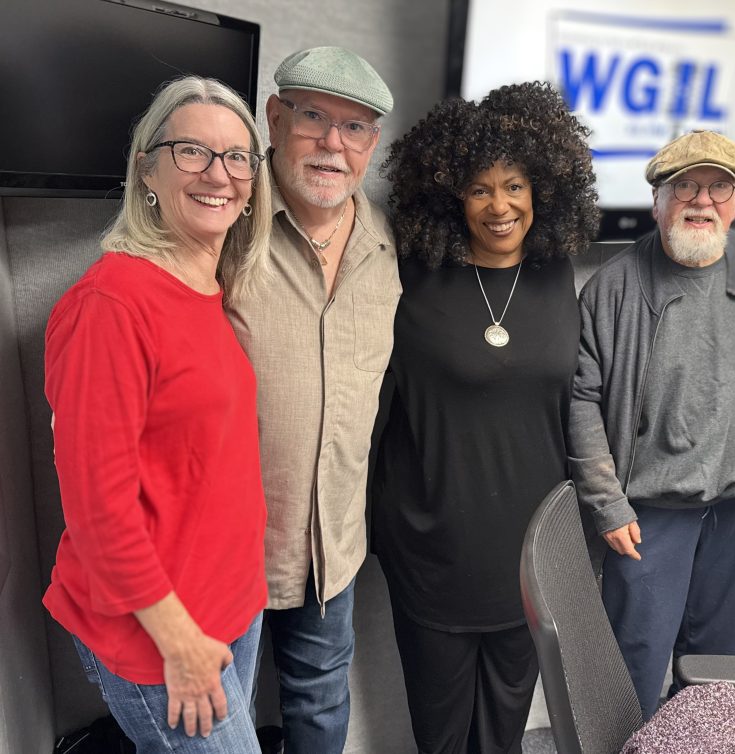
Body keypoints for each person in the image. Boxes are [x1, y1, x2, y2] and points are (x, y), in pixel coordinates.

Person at [43, 76, 272, 752]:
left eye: (237, 157)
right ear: (146, 167)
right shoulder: (111, 305)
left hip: (230, 605)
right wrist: (179, 642)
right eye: (192, 151)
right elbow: (97, 510)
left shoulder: (210, 287)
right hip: (161, 635)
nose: (218, 174)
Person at [374, 81, 600, 754]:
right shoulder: (409, 275)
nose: (500, 206)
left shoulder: (557, 271)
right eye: (479, 189)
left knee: (503, 729)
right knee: (442, 733)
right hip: (433, 542)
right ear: (450, 197)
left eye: (515, 186)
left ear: (543, 192)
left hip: (529, 545)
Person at [569, 129, 735, 719]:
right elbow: (580, 401)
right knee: (635, 661)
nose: (703, 200)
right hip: (649, 513)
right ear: (657, 199)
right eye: (685, 186)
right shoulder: (612, 286)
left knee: (714, 667)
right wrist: (607, 503)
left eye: (720, 187)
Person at [224, 47, 398, 753]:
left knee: (322, 701)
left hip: (333, 535)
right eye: (314, 117)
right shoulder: (221, 222)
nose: (333, 142)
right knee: (215, 720)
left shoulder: (389, 244)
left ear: (372, 145)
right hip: (229, 541)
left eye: (354, 128)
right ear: (274, 118)